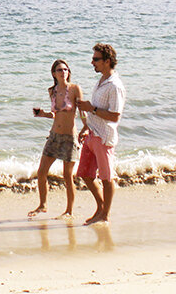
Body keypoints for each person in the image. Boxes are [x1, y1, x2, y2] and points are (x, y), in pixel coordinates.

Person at [28, 59, 85, 218]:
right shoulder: (52, 91)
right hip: (54, 136)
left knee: (68, 175)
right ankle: (43, 205)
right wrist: (43, 114)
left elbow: (82, 113)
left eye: (66, 69)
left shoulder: (75, 89)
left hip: (69, 137)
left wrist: (86, 130)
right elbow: (56, 114)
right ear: (54, 73)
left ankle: (69, 211)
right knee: (41, 172)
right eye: (59, 70)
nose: (63, 72)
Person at [76, 43, 126, 225]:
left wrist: (92, 108)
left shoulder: (115, 86)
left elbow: (115, 115)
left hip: (104, 137)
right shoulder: (101, 81)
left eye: (96, 59)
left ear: (107, 61)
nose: (92, 62)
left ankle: (105, 214)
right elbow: (95, 111)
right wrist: (85, 126)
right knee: (85, 174)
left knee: (106, 178)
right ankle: (101, 207)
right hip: (92, 134)